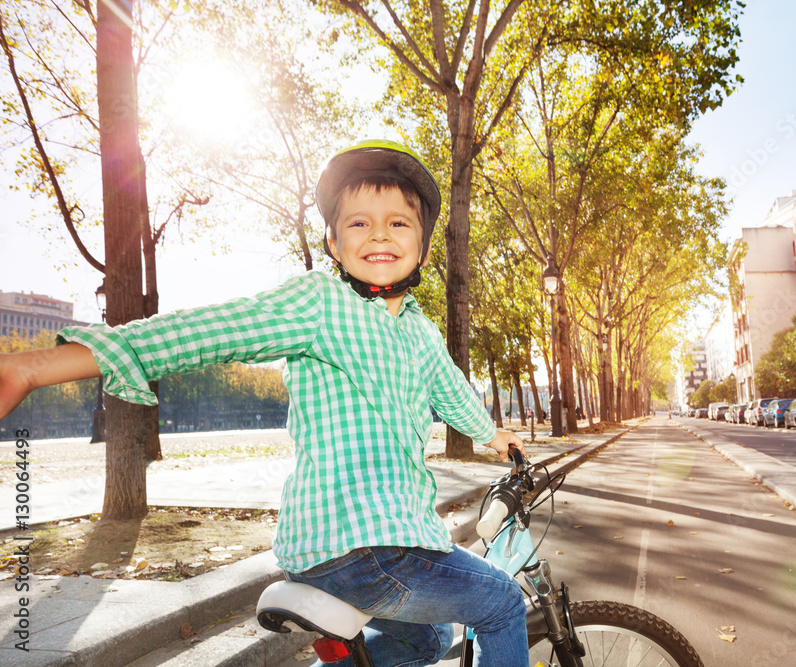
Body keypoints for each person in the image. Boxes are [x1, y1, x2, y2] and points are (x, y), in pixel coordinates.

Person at [0, 140, 528, 667]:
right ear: (333, 240)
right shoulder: (320, 303)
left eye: (398, 223)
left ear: (424, 247)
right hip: (364, 547)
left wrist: (495, 436)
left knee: (432, 639)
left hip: (386, 543)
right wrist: (33, 369)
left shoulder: (422, 334)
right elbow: (213, 329)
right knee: (502, 603)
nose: (380, 235)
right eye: (359, 223)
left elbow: (455, 394)